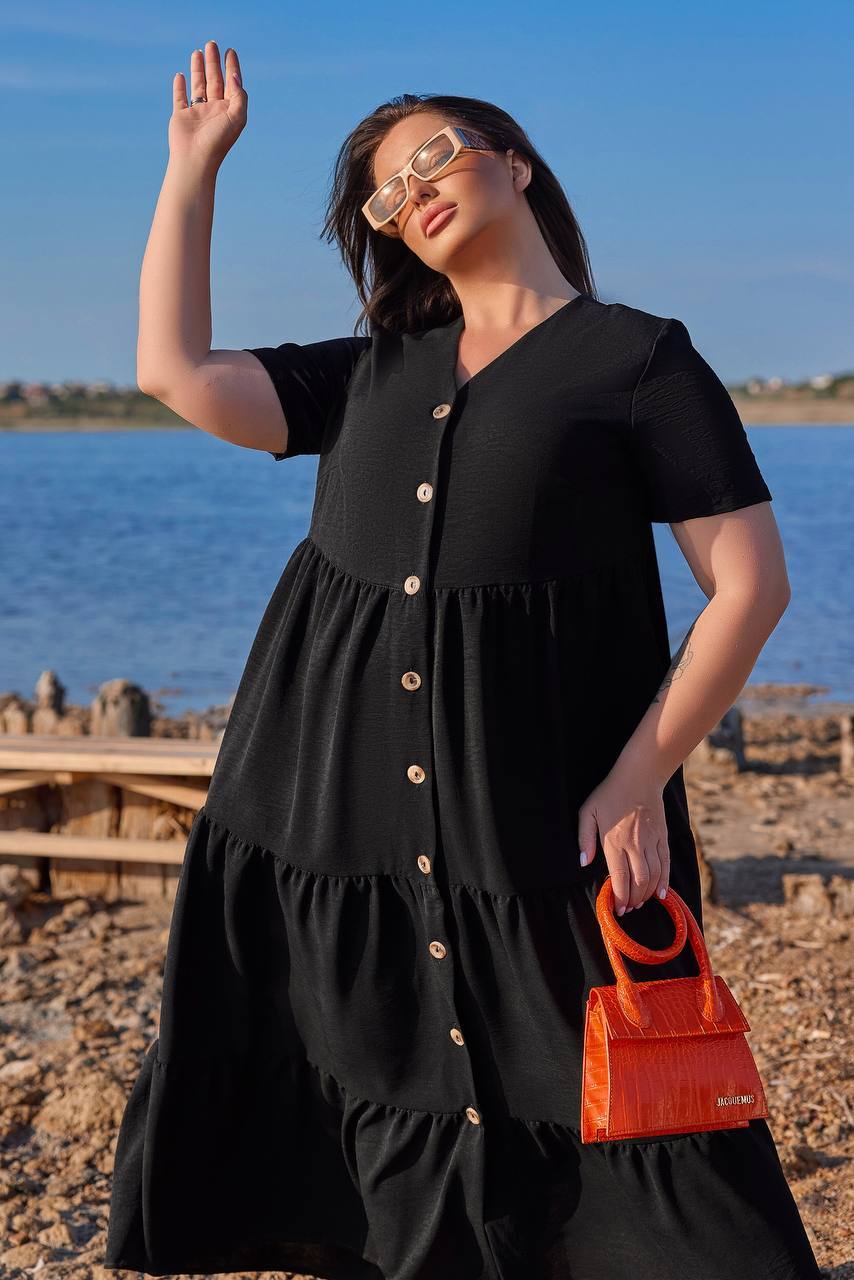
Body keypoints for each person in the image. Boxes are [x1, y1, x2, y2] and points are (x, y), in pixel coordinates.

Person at [104, 41, 823, 1280]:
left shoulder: (636, 359)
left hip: (540, 811)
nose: (412, 191)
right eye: (386, 194)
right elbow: (172, 371)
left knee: (619, 1098)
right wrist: (193, 170)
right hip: (330, 819)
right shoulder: (367, 371)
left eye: (433, 156)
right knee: (371, 1100)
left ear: (516, 163)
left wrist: (638, 777)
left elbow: (749, 587)